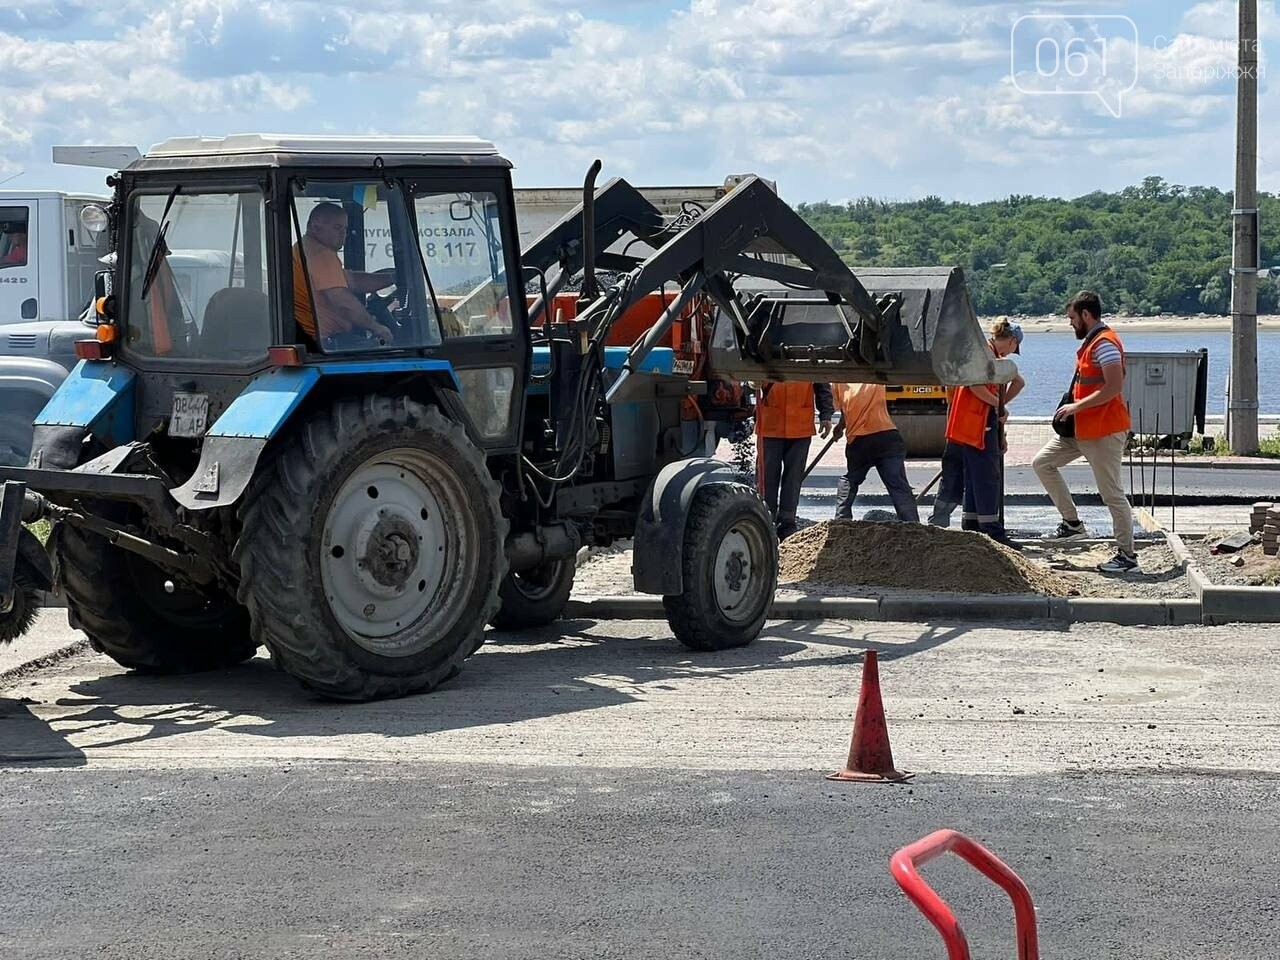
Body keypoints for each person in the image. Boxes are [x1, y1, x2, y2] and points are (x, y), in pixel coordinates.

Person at [1033, 291, 1136, 573]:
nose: (1070, 323)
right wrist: (1075, 410)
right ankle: (1073, 524)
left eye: (1072, 318)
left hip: (1103, 432)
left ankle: (1127, 557)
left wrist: (1077, 406)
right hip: (1081, 431)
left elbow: (1114, 386)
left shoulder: (1105, 344)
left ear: (1086, 315)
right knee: (1042, 463)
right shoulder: (1092, 343)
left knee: (1112, 494)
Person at [931, 321, 1024, 527]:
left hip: (963, 424)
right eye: (1013, 349)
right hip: (975, 425)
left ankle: (968, 524)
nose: (1011, 353)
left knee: (967, 477)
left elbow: (1019, 382)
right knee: (985, 477)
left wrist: (1000, 406)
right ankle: (990, 530)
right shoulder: (985, 356)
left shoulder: (988, 355)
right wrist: (999, 406)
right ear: (1011, 341)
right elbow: (976, 386)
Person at [292, 202, 394, 344]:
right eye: (337, 228)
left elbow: (352, 280)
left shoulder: (304, 248)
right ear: (315, 227)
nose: (343, 234)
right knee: (385, 349)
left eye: (345, 229)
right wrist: (376, 327)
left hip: (314, 339)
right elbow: (343, 303)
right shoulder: (321, 254)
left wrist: (393, 278)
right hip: (324, 341)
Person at [755, 380, 834, 539]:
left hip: (799, 426)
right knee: (767, 478)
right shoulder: (766, 354)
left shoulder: (811, 358)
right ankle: (765, 519)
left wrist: (826, 414)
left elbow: (822, 384)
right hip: (771, 425)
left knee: (793, 478)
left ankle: (787, 522)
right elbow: (751, 379)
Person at [832, 381, 919, 522]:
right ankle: (912, 523)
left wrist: (840, 427)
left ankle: (842, 519)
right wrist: (841, 426)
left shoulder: (839, 381)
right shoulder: (875, 377)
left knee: (850, 479)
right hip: (887, 436)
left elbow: (846, 407)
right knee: (898, 485)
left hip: (859, 441)